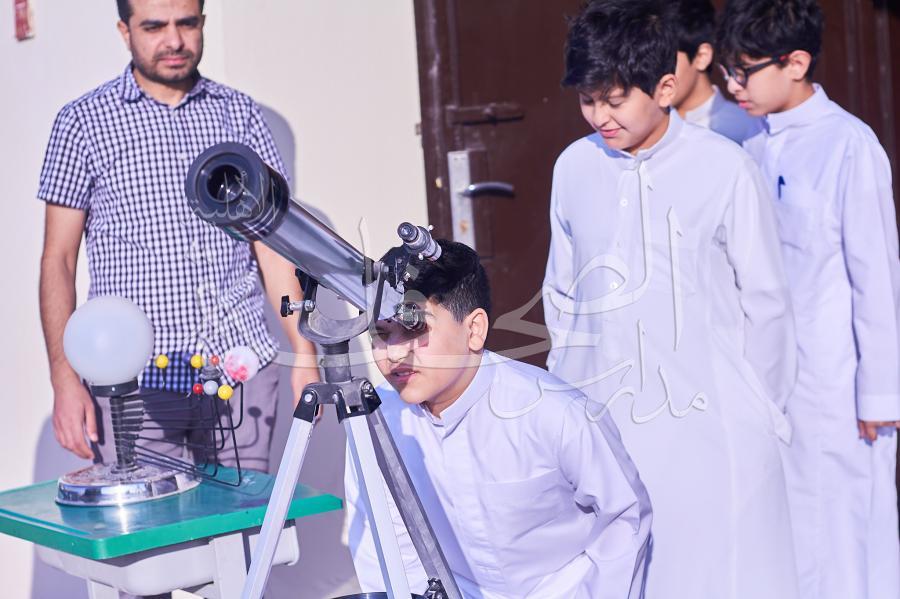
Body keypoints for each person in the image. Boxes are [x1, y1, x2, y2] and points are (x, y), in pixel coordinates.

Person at [542, 0, 799, 596]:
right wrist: (567, 398)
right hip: (606, 426)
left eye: (614, 100)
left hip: (713, 429)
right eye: (587, 100)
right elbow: (562, 293)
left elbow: (768, 302)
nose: (599, 116)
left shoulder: (724, 168)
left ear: (663, 88)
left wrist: (759, 407)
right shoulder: (574, 166)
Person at [37, 0, 319, 472]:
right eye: (154, 27)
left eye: (186, 23)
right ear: (125, 31)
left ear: (202, 23)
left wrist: (303, 352)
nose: (173, 41)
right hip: (133, 380)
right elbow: (58, 260)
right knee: (150, 519)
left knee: (246, 518)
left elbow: (271, 243)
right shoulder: (82, 122)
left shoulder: (239, 115)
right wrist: (64, 379)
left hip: (239, 370)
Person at [344, 241, 651, 599]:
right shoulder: (377, 419)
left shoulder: (557, 413)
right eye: (381, 334)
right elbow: (385, 545)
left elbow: (624, 521)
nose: (394, 353)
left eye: (413, 328)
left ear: (474, 330)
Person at [717, 1, 900, 597]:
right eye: (727, 70)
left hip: (836, 389)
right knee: (786, 537)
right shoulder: (746, 143)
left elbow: (876, 277)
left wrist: (879, 394)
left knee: (843, 537)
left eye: (745, 71)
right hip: (769, 382)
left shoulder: (847, 144)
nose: (732, 86)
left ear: (795, 63)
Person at [670, 0, 760, 143]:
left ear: (702, 56)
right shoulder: (645, 129)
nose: (655, 76)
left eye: (666, 62)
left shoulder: (748, 129)